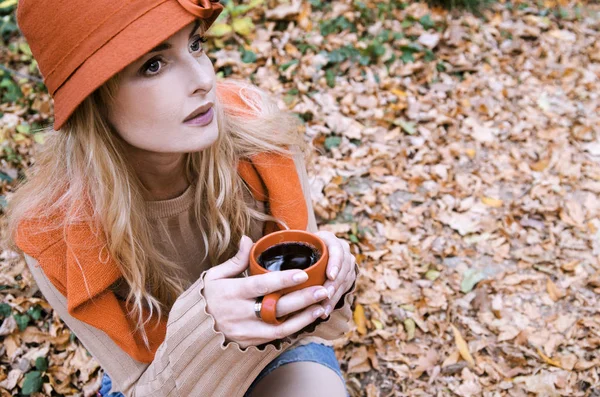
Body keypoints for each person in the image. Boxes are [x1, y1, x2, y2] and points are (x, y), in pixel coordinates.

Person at [4, 1, 359, 396]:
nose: (202, 79)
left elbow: (319, 328)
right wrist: (208, 326)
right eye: (153, 65)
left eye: (194, 44)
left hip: (277, 353)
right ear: (93, 103)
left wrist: (331, 283)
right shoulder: (53, 230)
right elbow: (142, 386)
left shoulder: (259, 136)